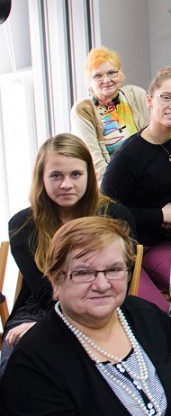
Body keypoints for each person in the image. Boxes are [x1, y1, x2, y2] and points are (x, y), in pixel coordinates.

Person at [0, 216, 171, 415]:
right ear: (56, 281)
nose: (102, 285)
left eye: (114, 270)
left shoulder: (144, 314)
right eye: (84, 273)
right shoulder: (33, 363)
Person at [1, 134, 135, 377]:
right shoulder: (23, 224)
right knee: (15, 368)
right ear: (41, 178)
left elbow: (119, 282)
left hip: (102, 303)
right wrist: (44, 328)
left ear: (89, 175)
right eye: (56, 176)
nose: (66, 184)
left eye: (75, 174)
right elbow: (45, 291)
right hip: (40, 309)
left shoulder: (116, 216)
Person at [101, 67, 171, 311]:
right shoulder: (127, 157)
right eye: (166, 97)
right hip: (127, 249)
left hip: (164, 242)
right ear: (149, 101)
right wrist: (161, 215)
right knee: (156, 313)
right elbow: (107, 213)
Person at [70, 46, 150, 180]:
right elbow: (95, 165)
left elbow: (154, 141)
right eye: (98, 76)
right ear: (89, 81)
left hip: (147, 176)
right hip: (111, 183)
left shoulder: (136, 95)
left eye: (112, 72)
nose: (106, 80)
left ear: (120, 74)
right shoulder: (83, 110)